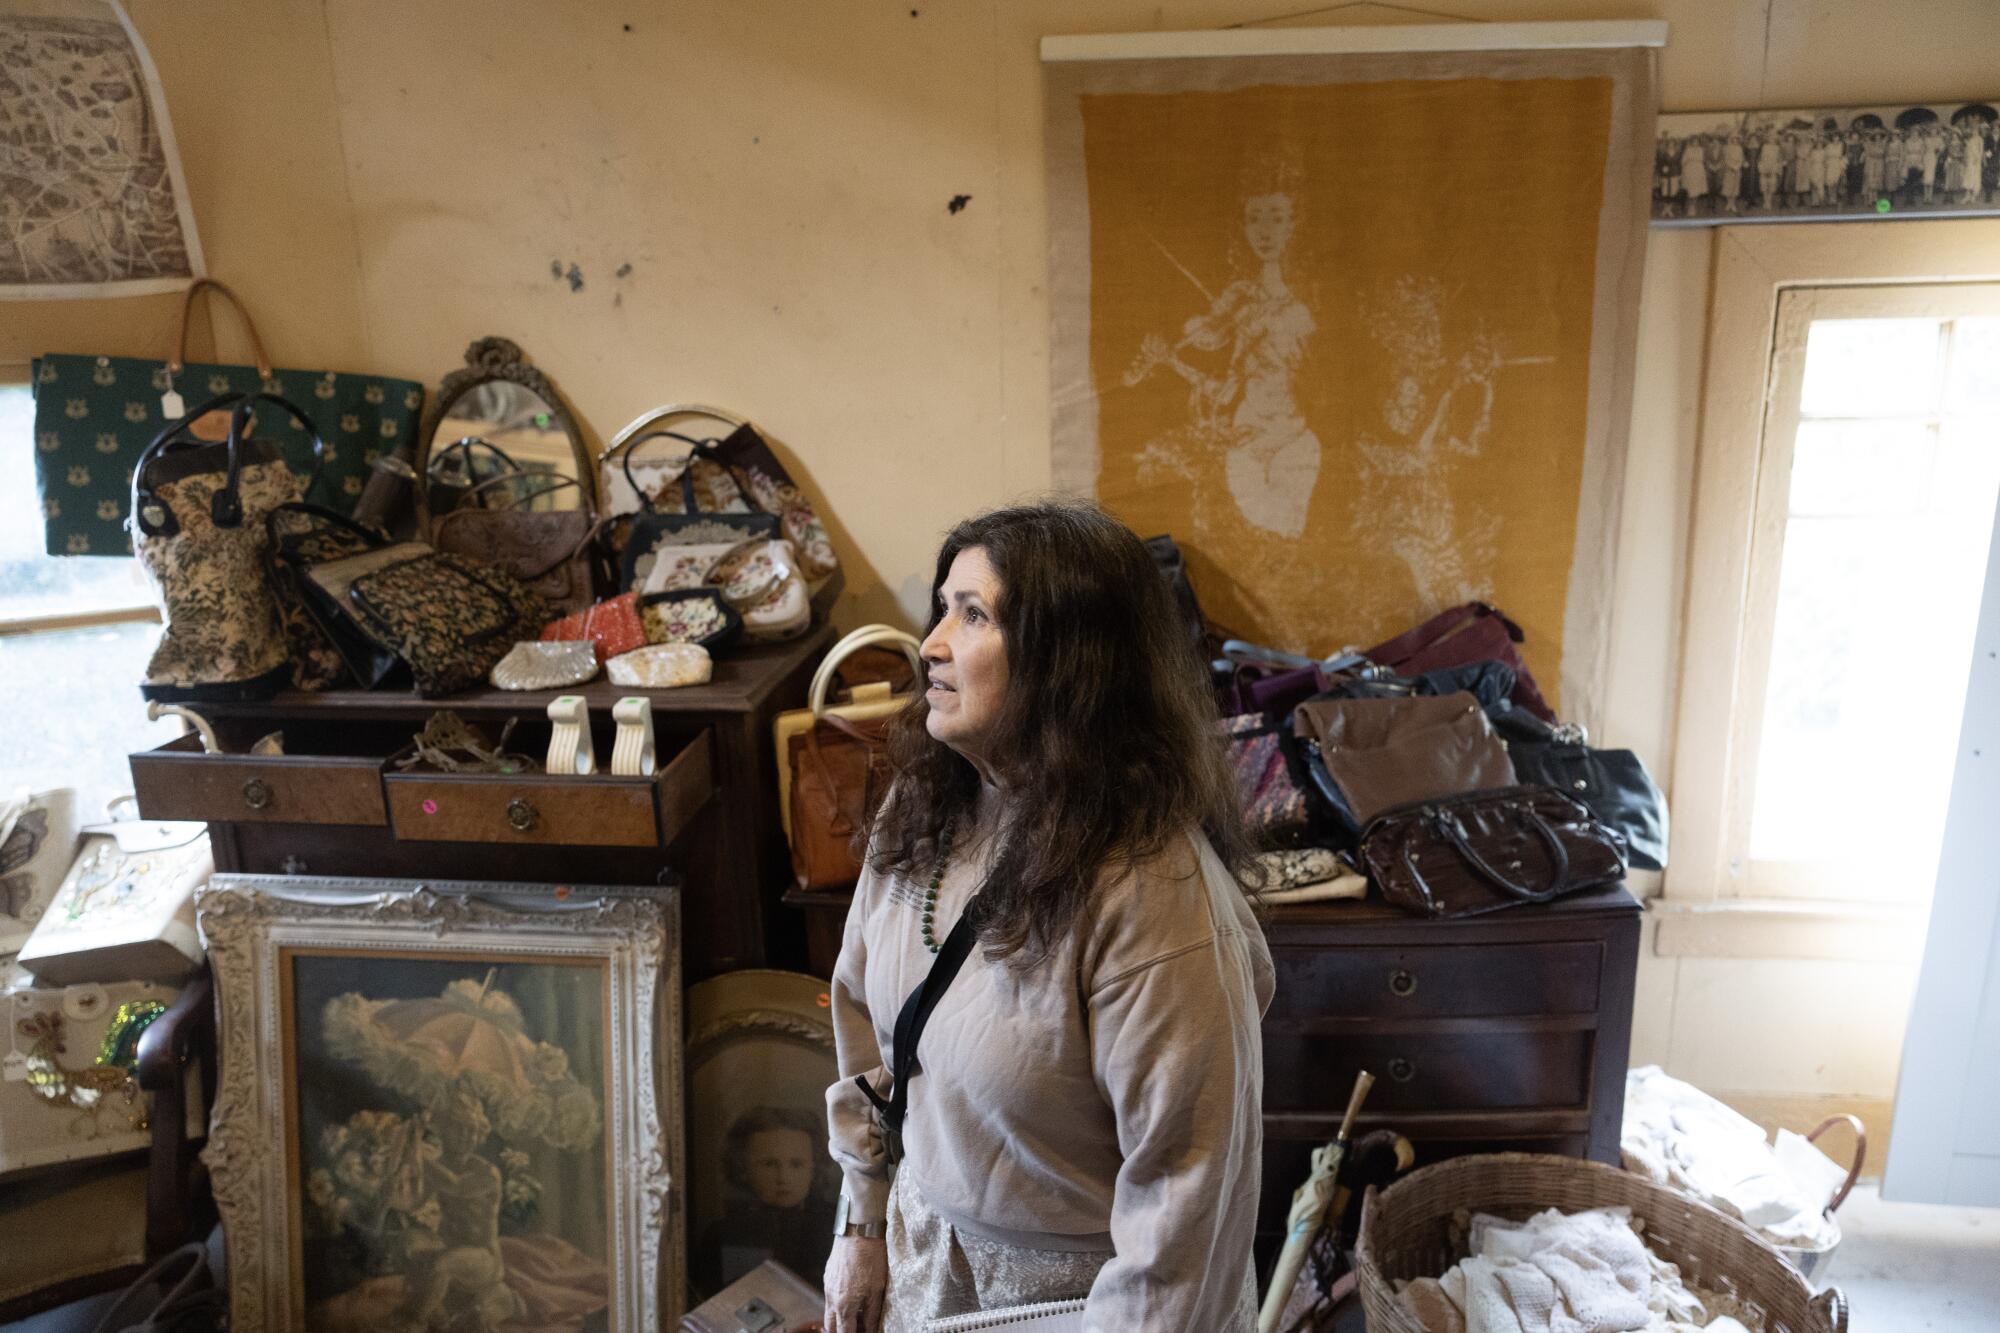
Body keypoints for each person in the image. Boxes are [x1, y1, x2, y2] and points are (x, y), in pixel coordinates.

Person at [822, 503, 1274, 1333]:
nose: (930, 643)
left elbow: (1187, 1207)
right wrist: (863, 1222)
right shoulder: (919, 814)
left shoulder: (1151, 893)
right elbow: (866, 1028)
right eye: (943, 607)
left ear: (1070, 661)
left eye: (975, 614)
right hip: (925, 1265)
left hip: (1081, 1303)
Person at [698, 1105, 839, 1297]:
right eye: (769, 1164)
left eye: (796, 1164)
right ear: (743, 1169)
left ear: (813, 1168)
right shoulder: (723, 1234)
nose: (783, 1178)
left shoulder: (837, 1227)